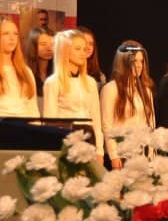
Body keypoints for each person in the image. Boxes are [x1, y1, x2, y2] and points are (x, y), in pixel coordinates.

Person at [43, 29, 103, 161]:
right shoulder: (53, 82)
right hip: (67, 138)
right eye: (77, 49)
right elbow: (50, 121)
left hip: (89, 137)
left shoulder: (90, 82)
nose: (83, 53)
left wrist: (99, 150)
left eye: (84, 49)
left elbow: (96, 120)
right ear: (65, 51)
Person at [100, 41, 156, 169]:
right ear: (123, 62)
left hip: (142, 154)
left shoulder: (146, 91)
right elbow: (107, 126)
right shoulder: (110, 89)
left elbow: (151, 124)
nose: (139, 65)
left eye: (141, 61)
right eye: (135, 61)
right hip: (122, 154)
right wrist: (114, 155)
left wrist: (151, 154)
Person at [0, 17, 40, 118]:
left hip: (23, 125)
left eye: (15, 34)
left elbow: (33, 108)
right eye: (6, 34)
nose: (12, 38)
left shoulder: (26, 71)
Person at [23, 27, 54, 108]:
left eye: (52, 44)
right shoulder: (25, 73)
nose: (49, 48)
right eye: (43, 44)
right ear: (33, 46)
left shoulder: (57, 72)